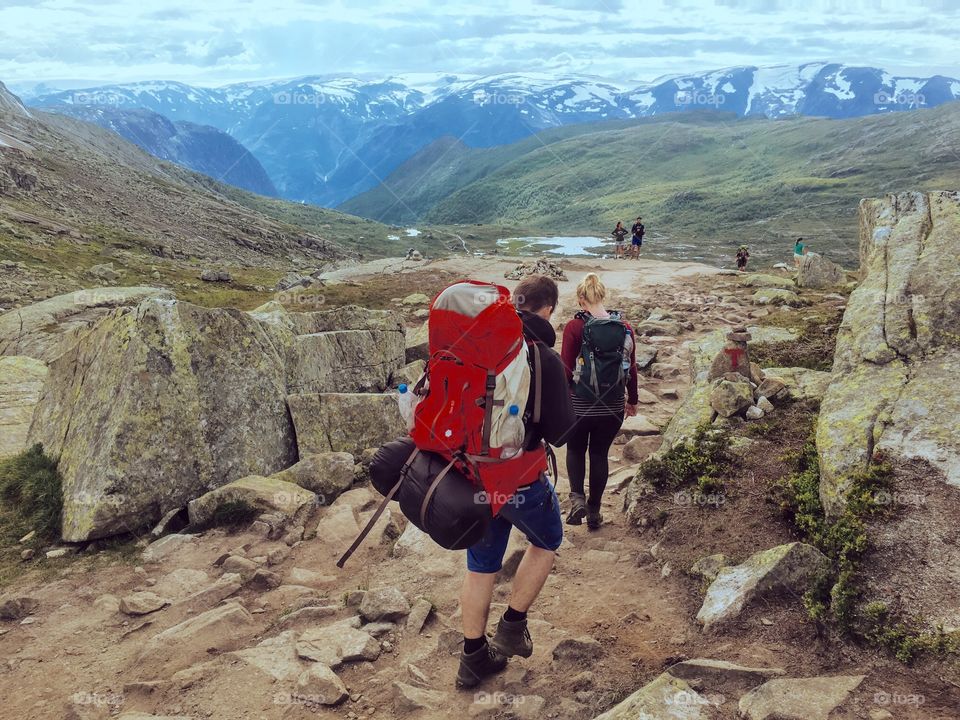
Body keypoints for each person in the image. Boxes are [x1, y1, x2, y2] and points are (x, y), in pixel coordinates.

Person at [457, 274, 576, 689]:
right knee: (547, 543)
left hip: (472, 475)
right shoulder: (542, 356)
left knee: (480, 565)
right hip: (521, 479)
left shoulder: (475, 341)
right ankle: (511, 625)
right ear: (548, 310)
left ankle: (472, 660)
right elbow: (561, 433)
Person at [560, 273, 638, 530]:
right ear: (602, 295)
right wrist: (632, 401)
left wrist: (562, 400)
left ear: (581, 299)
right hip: (613, 405)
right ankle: (594, 511)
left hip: (580, 404)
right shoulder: (624, 328)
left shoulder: (574, 327)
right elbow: (631, 367)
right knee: (599, 454)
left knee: (575, 450)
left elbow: (565, 368)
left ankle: (577, 499)